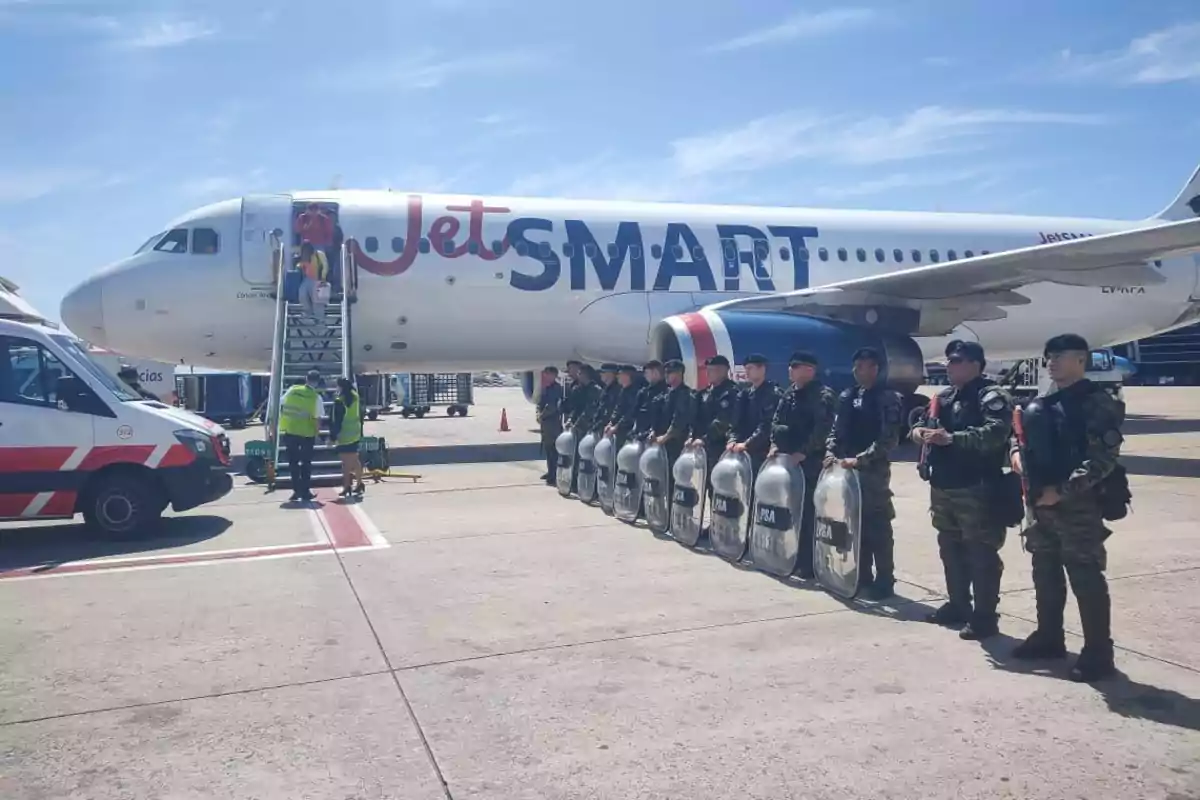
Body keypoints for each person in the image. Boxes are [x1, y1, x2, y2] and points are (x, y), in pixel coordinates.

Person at [1009, 333, 1124, 682]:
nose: (1052, 362)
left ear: (1081, 360)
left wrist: (1061, 491)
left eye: (1060, 356)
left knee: (1085, 577)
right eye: (1049, 357)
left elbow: (1102, 459)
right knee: (1045, 573)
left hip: (1078, 505)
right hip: (1040, 504)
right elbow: (1019, 436)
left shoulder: (1097, 402)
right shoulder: (1044, 402)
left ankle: (1098, 653)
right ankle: (1049, 636)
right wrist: (1014, 454)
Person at [910, 340, 1012, 639]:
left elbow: (996, 433)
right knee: (950, 548)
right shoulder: (943, 397)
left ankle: (984, 616)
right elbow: (918, 425)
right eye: (949, 361)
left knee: (981, 553)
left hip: (977, 487)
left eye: (955, 361)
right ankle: (958, 604)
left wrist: (952, 439)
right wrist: (919, 433)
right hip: (944, 487)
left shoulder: (991, 396)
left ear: (974, 364)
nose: (949, 366)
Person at [824, 347, 902, 600]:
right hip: (846, 469)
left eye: (864, 366)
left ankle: (885, 580)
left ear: (875, 369)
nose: (858, 371)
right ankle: (862, 574)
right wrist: (830, 452)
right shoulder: (848, 395)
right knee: (854, 523)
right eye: (856, 366)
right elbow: (837, 429)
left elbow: (889, 439)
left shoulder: (887, 398)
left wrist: (860, 459)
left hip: (872, 470)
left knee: (877, 526)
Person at [768, 350, 837, 579]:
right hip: (788, 461)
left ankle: (809, 562)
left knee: (809, 514)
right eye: (790, 366)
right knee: (790, 510)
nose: (790, 370)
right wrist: (775, 445)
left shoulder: (822, 395)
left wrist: (803, 453)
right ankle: (793, 555)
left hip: (810, 462)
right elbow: (777, 421)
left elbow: (822, 430)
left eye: (795, 366)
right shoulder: (789, 394)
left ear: (810, 370)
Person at [687, 355, 739, 512]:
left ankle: (728, 525)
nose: (708, 373)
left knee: (723, 487)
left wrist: (704, 438)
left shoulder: (731, 393)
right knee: (709, 486)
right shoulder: (704, 393)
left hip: (720, 447)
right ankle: (715, 522)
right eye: (708, 370)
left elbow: (723, 421)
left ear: (724, 371)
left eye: (713, 370)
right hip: (703, 448)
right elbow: (695, 418)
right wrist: (692, 436)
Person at [726, 353, 781, 477]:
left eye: (750, 368)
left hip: (762, 452)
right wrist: (732, 439)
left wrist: (747, 444)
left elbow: (767, 426)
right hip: (742, 452)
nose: (747, 372)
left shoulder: (772, 394)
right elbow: (735, 422)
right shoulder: (745, 395)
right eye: (746, 369)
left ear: (762, 369)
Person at [279, 370, 323, 502]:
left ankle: (295, 491)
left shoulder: (292, 390)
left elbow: (281, 405)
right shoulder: (316, 397)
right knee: (306, 464)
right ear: (317, 382)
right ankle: (305, 491)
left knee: (293, 463)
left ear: (306, 379)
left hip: (290, 431)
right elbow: (317, 419)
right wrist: (318, 434)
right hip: (307, 434)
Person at [652, 359, 695, 494]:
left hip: (676, 443)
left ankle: (674, 512)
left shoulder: (686, 394)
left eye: (669, 373)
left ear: (678, 374)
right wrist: (653, 431)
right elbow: (657, 416)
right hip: (662, 443)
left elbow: (679, 420)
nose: (666, 376)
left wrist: (666, 436)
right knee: (662, 478)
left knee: (676, 479)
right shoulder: (666, 393)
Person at [330, 376, 366, 498]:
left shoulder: (340, 401)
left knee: (345, 463)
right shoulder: (355, 396)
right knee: (355, 460)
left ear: (340, 387)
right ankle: (359, 483)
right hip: (355, 432)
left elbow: (337, 421)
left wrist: (332, 437)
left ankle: (347, 486)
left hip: (344, 435)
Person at [536, 366, 564, 486]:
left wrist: (542, 415)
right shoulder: (546, 388)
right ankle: (550, 471)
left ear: (553, 375)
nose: (545, 376)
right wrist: (538, 413)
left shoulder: (557, 389)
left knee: (553, 450)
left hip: (552, 422)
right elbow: (540, 403)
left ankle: (554, 474)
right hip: (546, 423)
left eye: (548, 374)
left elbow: (552, 406)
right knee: (548, 449)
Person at [605, 364, 644, 450]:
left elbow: (630, 414)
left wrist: (616, 426)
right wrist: (611, 422)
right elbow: (618, 409)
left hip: (628, 430)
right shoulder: (623, 391)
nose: (617, 376)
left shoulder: (635, 393)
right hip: (618, 430)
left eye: (620, 374)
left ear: (627, 376)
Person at [630, 360, 668, 444]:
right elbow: (635, 413)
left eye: (647, 373)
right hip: (640, 435)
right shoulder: (643, 392)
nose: (645, 376)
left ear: (655, 373)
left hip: (655, 438)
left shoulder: (666, 392)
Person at [297, 241, 330, 321]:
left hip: (319, 279)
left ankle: (320, 319)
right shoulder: (304, 257)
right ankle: (307, 311)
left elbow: (325, 266)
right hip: (308, 280)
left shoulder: (319, 254)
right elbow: (300, 266)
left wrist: (323, 277)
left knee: (317, 301)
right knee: (302, 293)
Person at [591, 363, 622, 439]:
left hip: (610, 427)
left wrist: (610, 423)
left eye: (603, 373)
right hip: (603, 426)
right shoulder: (606, 389)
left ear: (610, 374)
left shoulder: (617, 390)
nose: (601, 375)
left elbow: (614, 409)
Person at [561, 360, 584, 429]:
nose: (569, 374)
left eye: (570, 369)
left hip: (581, 421)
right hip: (573, 420)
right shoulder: (573, 385)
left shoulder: (586, 386)